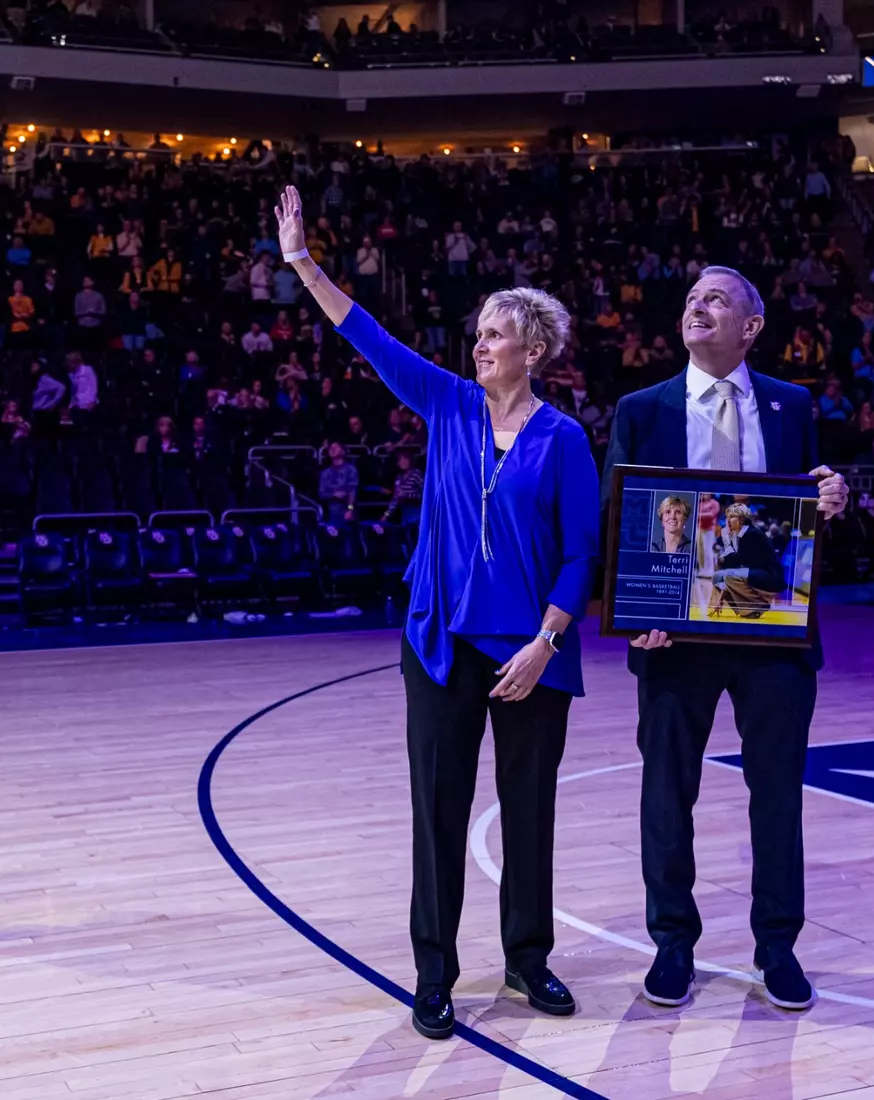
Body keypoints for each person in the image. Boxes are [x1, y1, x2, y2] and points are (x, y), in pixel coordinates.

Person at [275, 185, 599, 1032]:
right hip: (442, 646)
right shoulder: (448, 404)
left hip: (532, 652)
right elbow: (368, 337)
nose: (479, 343)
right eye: (480, 332)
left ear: (532, 347)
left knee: (529, 815)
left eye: (495, 333)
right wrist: (302, 262)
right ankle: (435, 973)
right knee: (438, 815)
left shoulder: (564, 439)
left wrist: (546, 644)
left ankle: (528, 963)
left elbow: (581, 555)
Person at [603, 266, 848, 1013]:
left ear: (751, 326)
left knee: (776, 795)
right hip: (674, 637)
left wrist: (831, 497)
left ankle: (777, 947)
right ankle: (673, 942)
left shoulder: (792, 403)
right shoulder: (641, 409)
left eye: (715, 297)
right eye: (690, 299)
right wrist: (635, 605)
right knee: (666, 794)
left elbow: (803, 503)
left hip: (770, 630)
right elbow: (622, 519)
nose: (696, 306)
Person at [710, 503, 784, 618]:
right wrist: (720, 599)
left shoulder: (751, 534)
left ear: (742, 519)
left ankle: (758, 604)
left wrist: (726, 542)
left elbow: (735, 564)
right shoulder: (738, 535)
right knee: (717, 577)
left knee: (728, 575)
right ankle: (746, 609)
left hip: (770, 578)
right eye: (727, 517)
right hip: (755, 575)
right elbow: (729, 568)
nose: (728, 520)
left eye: (732, 516)